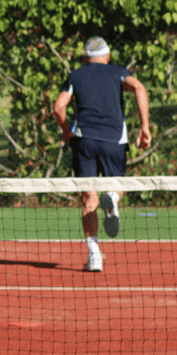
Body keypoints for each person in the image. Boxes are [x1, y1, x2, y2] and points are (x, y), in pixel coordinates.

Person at [52, 36, 152, 273]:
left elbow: (58, 107)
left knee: (88, 196)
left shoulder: (76, 75)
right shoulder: (117, 72)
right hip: (114, 139)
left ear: (85, 58)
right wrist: (145, 126)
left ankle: (94, 254)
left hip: (84, 140)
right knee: (116, 186)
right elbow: (139, 86)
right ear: (107, 57)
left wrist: (67, 132)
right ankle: (114, 200)